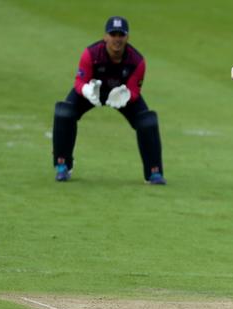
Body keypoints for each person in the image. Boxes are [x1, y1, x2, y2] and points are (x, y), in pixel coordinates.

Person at [51, 16, 166, 184]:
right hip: (92, 93)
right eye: (113, 34)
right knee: (64, 113)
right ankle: (62, 165)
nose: (117, 39)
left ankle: (154, 173)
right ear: (105, 36)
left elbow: (135, 90)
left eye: (121, 35)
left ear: (127, 37)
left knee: (147, 122)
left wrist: (125, 96)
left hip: (120, 95)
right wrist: (86, 90)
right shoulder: (91, 54)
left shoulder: (137, 61)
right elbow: (79, 81)